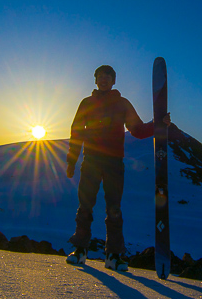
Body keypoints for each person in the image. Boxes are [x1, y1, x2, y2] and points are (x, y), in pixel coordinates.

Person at [66, 64, 170, 271]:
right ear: (95, 80)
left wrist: (158, 124)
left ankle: (113, 256)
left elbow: (137, 130)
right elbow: (76, 132)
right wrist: (72, 160)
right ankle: (80, 250)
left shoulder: (122, 104)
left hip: (114, 163)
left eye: (108, 77)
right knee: (85, 206)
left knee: (114, 209)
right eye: (100, 76)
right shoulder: (86, 103)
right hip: (91, 161)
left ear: (114, 81)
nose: (103, 80)